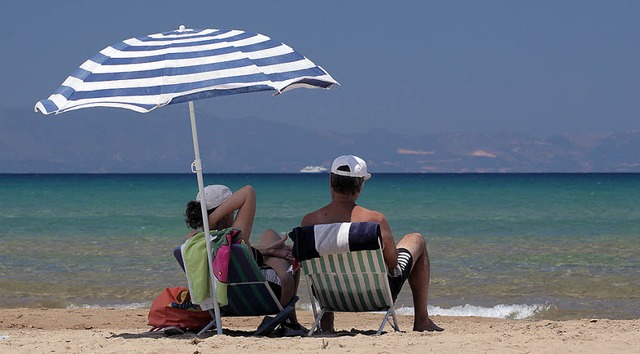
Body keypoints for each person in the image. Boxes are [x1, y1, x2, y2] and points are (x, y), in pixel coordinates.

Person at [300, 155, 444, 333]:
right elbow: (392, 264)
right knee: (416, 239)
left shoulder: (309, 222)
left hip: (330, 296)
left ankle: (326, 323)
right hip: (377, 295)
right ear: (360, 185)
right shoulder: (374, 220)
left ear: (331, 180)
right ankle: (422, 320)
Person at [184, 184, 303, 328]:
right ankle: (290, 318)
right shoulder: (234, 235)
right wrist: (212, 219)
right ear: (225, 211)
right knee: (273, 237)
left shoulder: (197, 242)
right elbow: (248, 191)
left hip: (225, 303)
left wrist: (268, 250)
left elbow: (238, 254)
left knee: (274, 245)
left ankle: (291, 319)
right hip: (269, 297)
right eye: (232, 209)